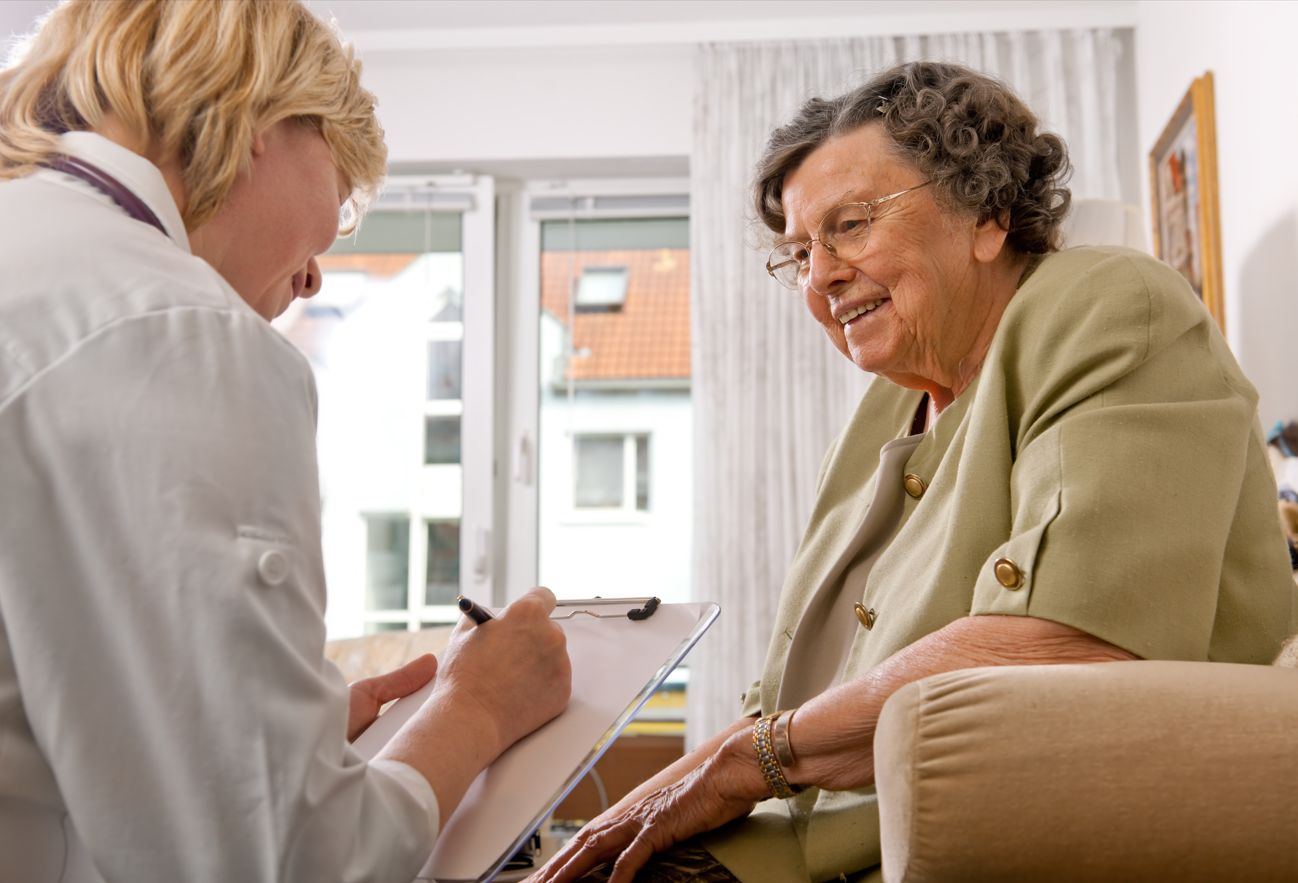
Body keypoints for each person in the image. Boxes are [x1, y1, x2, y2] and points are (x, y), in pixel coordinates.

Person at [532, 61, 1297, 883]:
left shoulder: (1109, 303)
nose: (820, 277)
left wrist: (745, 760)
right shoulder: (882, 411)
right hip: (821, 843)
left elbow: (1068, 645)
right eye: (799, 254)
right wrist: (639, 807)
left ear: (988, 212)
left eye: (851, 225)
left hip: (1039, 831)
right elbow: (774, 706)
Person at [0, 2, 570, 882]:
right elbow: (277, 862)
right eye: (337, 207)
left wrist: (250, 739)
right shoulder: (176, 330)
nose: (312, 273)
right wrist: (476, 707)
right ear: (267, 119)